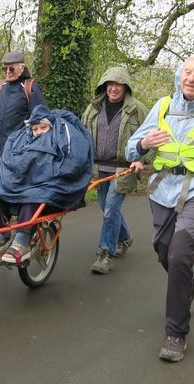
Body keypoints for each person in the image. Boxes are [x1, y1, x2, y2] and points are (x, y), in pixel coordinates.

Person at [125, 55, 194, 363]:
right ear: (179, 76)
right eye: (187, 72)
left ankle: (176, 333)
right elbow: (131, 147)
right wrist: (144, 143)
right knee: (163, 250)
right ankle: (187, 282)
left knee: (179, 253)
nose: (192, 78)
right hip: (161, 190)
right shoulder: (162, 107)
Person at [0, 104, 94, 264]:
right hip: (22, 182)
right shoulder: (21, 138)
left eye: (42, 128)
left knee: (34, 196)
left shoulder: (63, 135)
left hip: (47, 185)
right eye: (35, 129)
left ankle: (22, 241)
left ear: (50, 126)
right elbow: (7, 161)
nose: (38, 132)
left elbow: (72, 163)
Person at [80, 66, 148, 274]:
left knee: (110, 208)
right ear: (104, 86)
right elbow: (82, 134)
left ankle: (105, 253)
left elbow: (151, 136)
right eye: (109, 84)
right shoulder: (93, 108)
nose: (113, 88)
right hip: (99, 167)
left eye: (117, 84)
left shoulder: (137, 109)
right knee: (106, 206)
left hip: (124, 168)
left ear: (125, 86)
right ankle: (125, 238)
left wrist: (142, 160)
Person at [0, 50, 45, 163]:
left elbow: (40, 122)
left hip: (19, 155)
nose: (7, 72)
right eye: (4, 69)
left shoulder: (31, 88)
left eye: (11, 69)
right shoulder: (0, 86)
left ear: (22, 68)